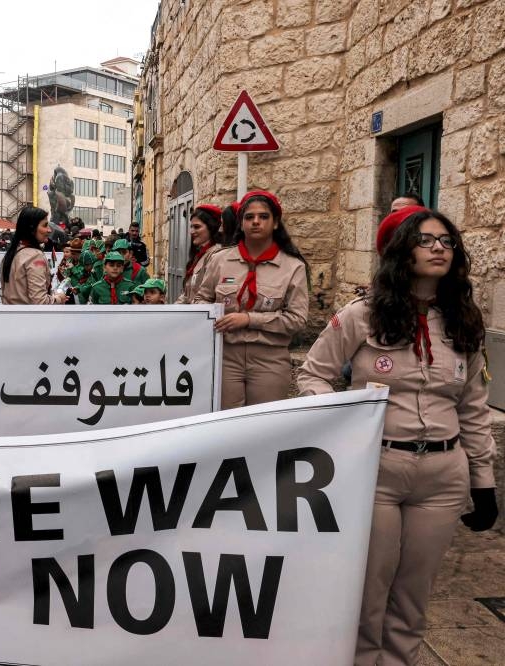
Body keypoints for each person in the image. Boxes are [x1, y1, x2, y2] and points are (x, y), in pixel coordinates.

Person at [297, 206, 497, 665]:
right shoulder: (362, 315)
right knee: (369, 590)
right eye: (426, 240)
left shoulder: (464, 320)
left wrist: (483, 483)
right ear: (402, 252)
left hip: (443, 475)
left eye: (446, 241)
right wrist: (341, 428)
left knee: (413, 595)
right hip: (377, 471)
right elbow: (314, 375)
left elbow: (473, 406)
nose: (438, 249)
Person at [195, 190, 309, 408]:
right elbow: (201, 299)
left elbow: (297, 319)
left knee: (263, 427)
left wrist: (249, 319)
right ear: (241, 223)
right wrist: (211, 315)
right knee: (225, 423)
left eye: (264, 217)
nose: (256, 222)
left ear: (275, 223)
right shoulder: (220, 260)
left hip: (270, 358)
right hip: (225, 356)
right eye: (249, 217)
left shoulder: (293, 266)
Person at [0, 206, 65, 305]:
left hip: (9, 317)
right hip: (30, 319)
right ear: (31, 228)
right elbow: (40, 302)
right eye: (45, 225)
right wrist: (59, 298)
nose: (49, 230)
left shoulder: (11, 253)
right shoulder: (35, 256)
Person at [176, 204, 223, 304]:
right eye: (191, 227)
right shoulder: (199, 255)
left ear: (211, 227)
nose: (192, 232)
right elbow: (186, 294)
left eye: (197, 227)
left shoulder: (216, 255)